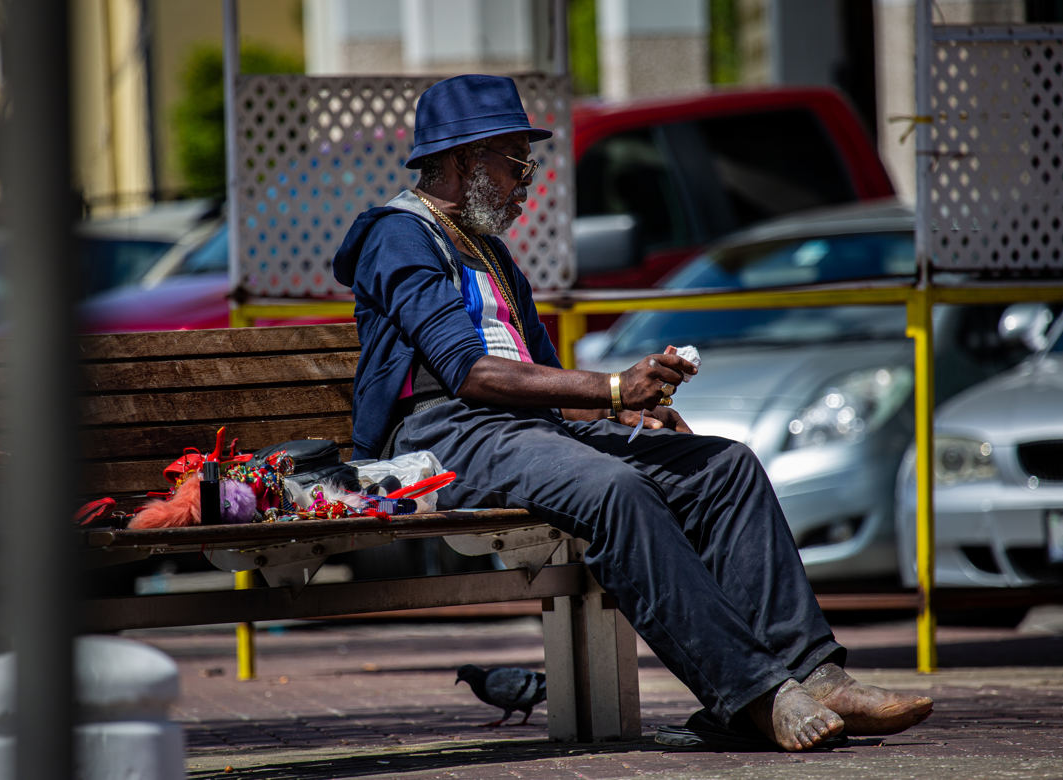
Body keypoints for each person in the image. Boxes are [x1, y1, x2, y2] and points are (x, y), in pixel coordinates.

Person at [332, 74, 933, 751]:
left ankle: (814, 673)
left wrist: (617, 419)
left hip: (520, 431)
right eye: (514, 160)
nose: (527, 179)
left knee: (722, 466)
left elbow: (541, 380)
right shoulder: (399, 236)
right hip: (445, 438)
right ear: (466, 159)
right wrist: (615, 390)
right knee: (616, 490)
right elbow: (468, 372)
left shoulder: (489, 252)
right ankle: (755, 693)